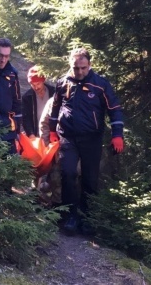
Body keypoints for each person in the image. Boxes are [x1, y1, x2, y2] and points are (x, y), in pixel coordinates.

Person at [48, 48, 124, 236]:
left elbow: (114, 109)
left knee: (90, 179)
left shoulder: (100, 85)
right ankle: (70, 215)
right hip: (68, 137)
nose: (79, 71)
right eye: (76, 68)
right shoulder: (62, 83)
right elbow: (56, 107)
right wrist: (52, 131)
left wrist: (117, 134)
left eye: (83, 67)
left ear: (89, 65)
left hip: (92, 139)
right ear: (70, 65)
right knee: (68, 173)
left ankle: (87, 218)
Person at [21, 66, 54, 138]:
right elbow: (26, 118)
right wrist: (30, 134)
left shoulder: (53, 92)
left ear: (43, 81)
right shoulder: (27, 97)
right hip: (36, 135)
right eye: (33, 85)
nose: (36, 87)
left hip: (53, 133)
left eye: (38, 84)